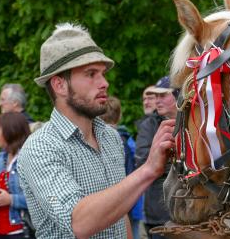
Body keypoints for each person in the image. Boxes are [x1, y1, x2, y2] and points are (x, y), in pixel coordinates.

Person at [17, 22, 175, 239]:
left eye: (102, 73)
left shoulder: (110, 137)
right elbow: (78, 223)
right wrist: (148, 170)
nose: (104, 83)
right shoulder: (40, 148)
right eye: (91, 74)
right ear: (59, 85)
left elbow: (120, 214)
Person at [135, 76, 178, 239]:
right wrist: (180, 163)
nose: (157, 101)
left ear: (176, 95)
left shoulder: (192, 120)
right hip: (159, 212)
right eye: (156, 96)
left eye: (162, 95)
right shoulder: (150, 125)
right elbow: (143, 161)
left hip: (190, 213)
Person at [99, 96, 143, 239]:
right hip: (128, 204)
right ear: (119, 116)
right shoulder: (126, 139)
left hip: (118, 205)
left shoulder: (116, 140)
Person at [0, 112, 32, 239]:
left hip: (19, 232)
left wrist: (11, 199)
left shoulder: (29, 160)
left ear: (10, 131)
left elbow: (40, 199)